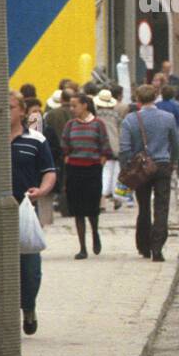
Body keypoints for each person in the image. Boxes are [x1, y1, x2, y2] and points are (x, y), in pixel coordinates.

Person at [11, 92, 57, 335]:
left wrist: (42, 190)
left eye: (9, 107)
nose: (4, 112)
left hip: (24, 209)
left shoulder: (36, 140)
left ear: (21, 111)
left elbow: (49, 171)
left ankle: (28, 307)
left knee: (29, 267)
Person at [120, 84, 179, 261]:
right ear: (156, 97)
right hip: (162, 164)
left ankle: (144, 245)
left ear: (137, 99)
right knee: (162, 206)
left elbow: (124, 148)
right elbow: (175, 143)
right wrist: (173, 161)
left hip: (141, 167)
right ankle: (158, 247)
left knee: (143, 206)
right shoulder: (168, 118)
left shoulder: (130, 120)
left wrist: (127, 166)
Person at [61, 93, 113, 259]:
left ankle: (95, 233)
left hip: (92, 170)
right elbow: (64, 146)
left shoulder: (98, 124)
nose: (72, 109)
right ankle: (82, 247)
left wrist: (100, 163)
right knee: (77, 210)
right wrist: (67, 160)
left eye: (74, 105)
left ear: (84, 105)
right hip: (75, 170)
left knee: (92, 207)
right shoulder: (70, 125)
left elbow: (105, 146)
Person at [94, 89, 124, 211]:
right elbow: (121, 132)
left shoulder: (95, 116)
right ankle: (117, 198)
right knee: (116, 173)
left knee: (103, 173)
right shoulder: (116, 116)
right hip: (115, 147)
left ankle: (102, 201)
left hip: (100, 147)